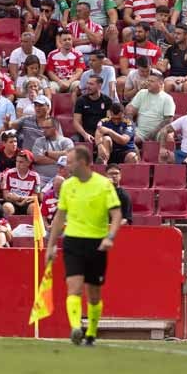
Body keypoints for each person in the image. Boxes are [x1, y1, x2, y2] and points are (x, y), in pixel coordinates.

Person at [44, 146, 123, 346]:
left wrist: (110, 237)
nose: (67, 166)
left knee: (94, 293)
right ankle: (76, 328)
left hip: (97, 243)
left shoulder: (104, 185)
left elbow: (116, 214)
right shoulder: (68, 186)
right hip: (73, 242)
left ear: (83, 162)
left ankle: (92, 333)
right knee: (74, 287)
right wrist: (51, 245)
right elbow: (60, 217)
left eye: (70, 162)